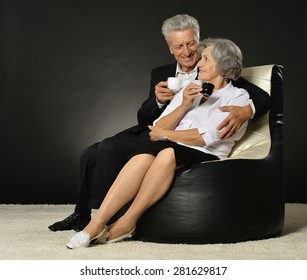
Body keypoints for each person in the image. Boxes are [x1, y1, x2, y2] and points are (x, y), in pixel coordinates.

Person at [48, 14, 270, 232]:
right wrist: (156, 100)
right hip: (157, 128)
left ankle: (113, 218)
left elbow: (261, 98)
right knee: (95, 150)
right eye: (179, 46)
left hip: (175, 137)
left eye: (191, 44)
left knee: (117, 151)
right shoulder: (161, 73)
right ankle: (82, 213)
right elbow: (144, 119)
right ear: (170, 49)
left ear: (199, 42)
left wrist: (246, 110)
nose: (186, 51)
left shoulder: (214, 69)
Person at [66, 37, 250, 249]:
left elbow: (208, 136)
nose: (198, 62)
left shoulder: (238, 98)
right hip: (174, 145)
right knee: (143, 155)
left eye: (205, 58)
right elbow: (156, 127)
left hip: (208, 151)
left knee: (167, 153)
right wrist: (184, 106)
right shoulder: (191, 89)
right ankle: (96, 224)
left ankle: (127, 221)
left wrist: (168, 134)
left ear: (223, 64)